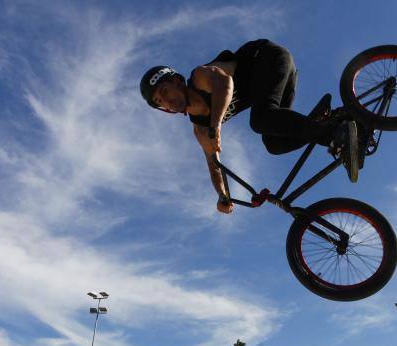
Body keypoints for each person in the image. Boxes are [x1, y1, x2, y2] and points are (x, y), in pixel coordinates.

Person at [140, 40, 364, 215]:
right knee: (274, 143)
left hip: (270, 58)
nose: (166, 101)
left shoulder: (200, 77)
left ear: (177, 82)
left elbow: (224, 84)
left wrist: (216, 123)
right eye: (160, 101)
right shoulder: (200, 129)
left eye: (165, 91)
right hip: (275, 84)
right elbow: (214, 164)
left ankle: (335, 134)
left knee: (260, 119)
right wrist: (222, 196)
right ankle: (331, 122)